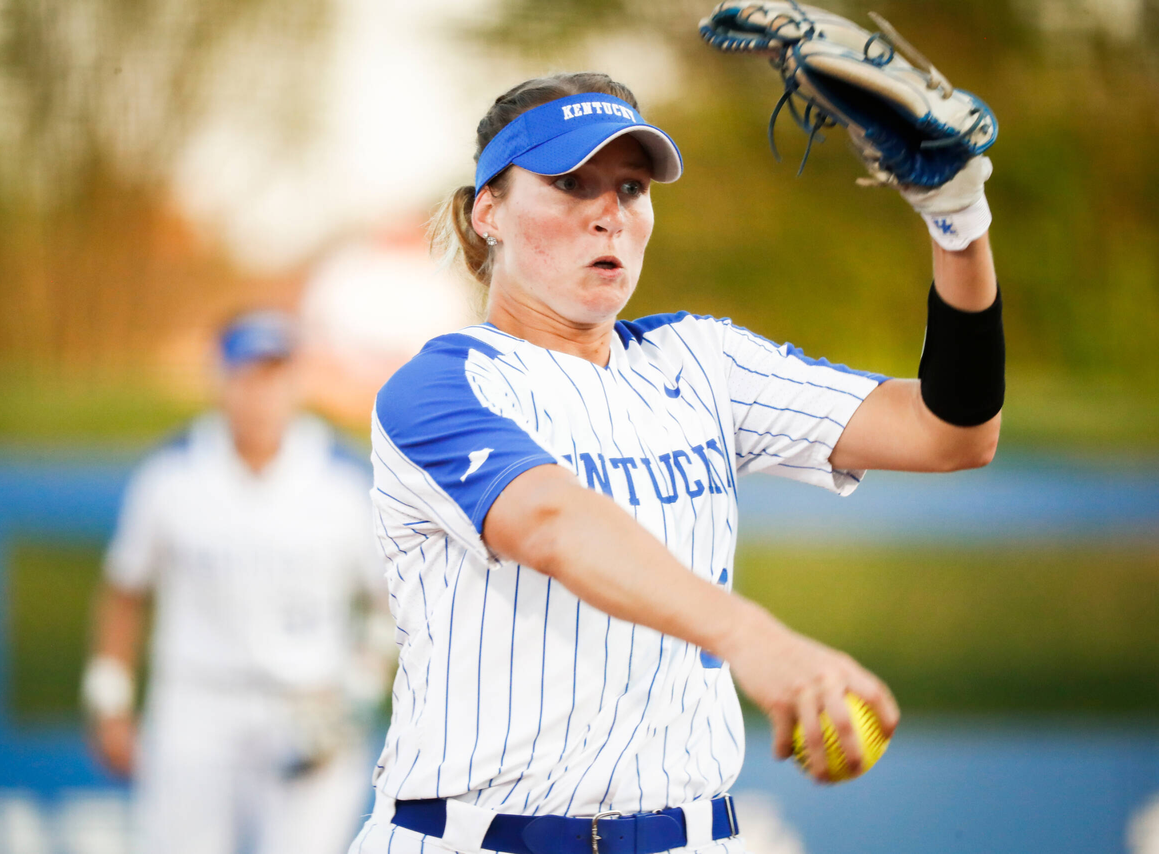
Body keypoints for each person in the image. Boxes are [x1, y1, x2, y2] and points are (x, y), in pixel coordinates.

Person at [352, 72, 1003, 854]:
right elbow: (556, 524)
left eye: (631, 188)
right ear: (488, 210)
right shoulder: (438, 388)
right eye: (568, 184)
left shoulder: (700, 360)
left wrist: (958, 223)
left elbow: (952, 432)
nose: (608, 215)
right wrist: (754, 639)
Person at [82, 309, 385, 854]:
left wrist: (356, 699)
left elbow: (390, 605)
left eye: (274, 375)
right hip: (196, 705)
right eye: (246, 375)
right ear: (220, 379)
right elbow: (124, 589)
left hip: (308, 704)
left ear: (295, 380)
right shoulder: (171, 473)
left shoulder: (343, 478)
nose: (260, 393)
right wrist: (110, 700)